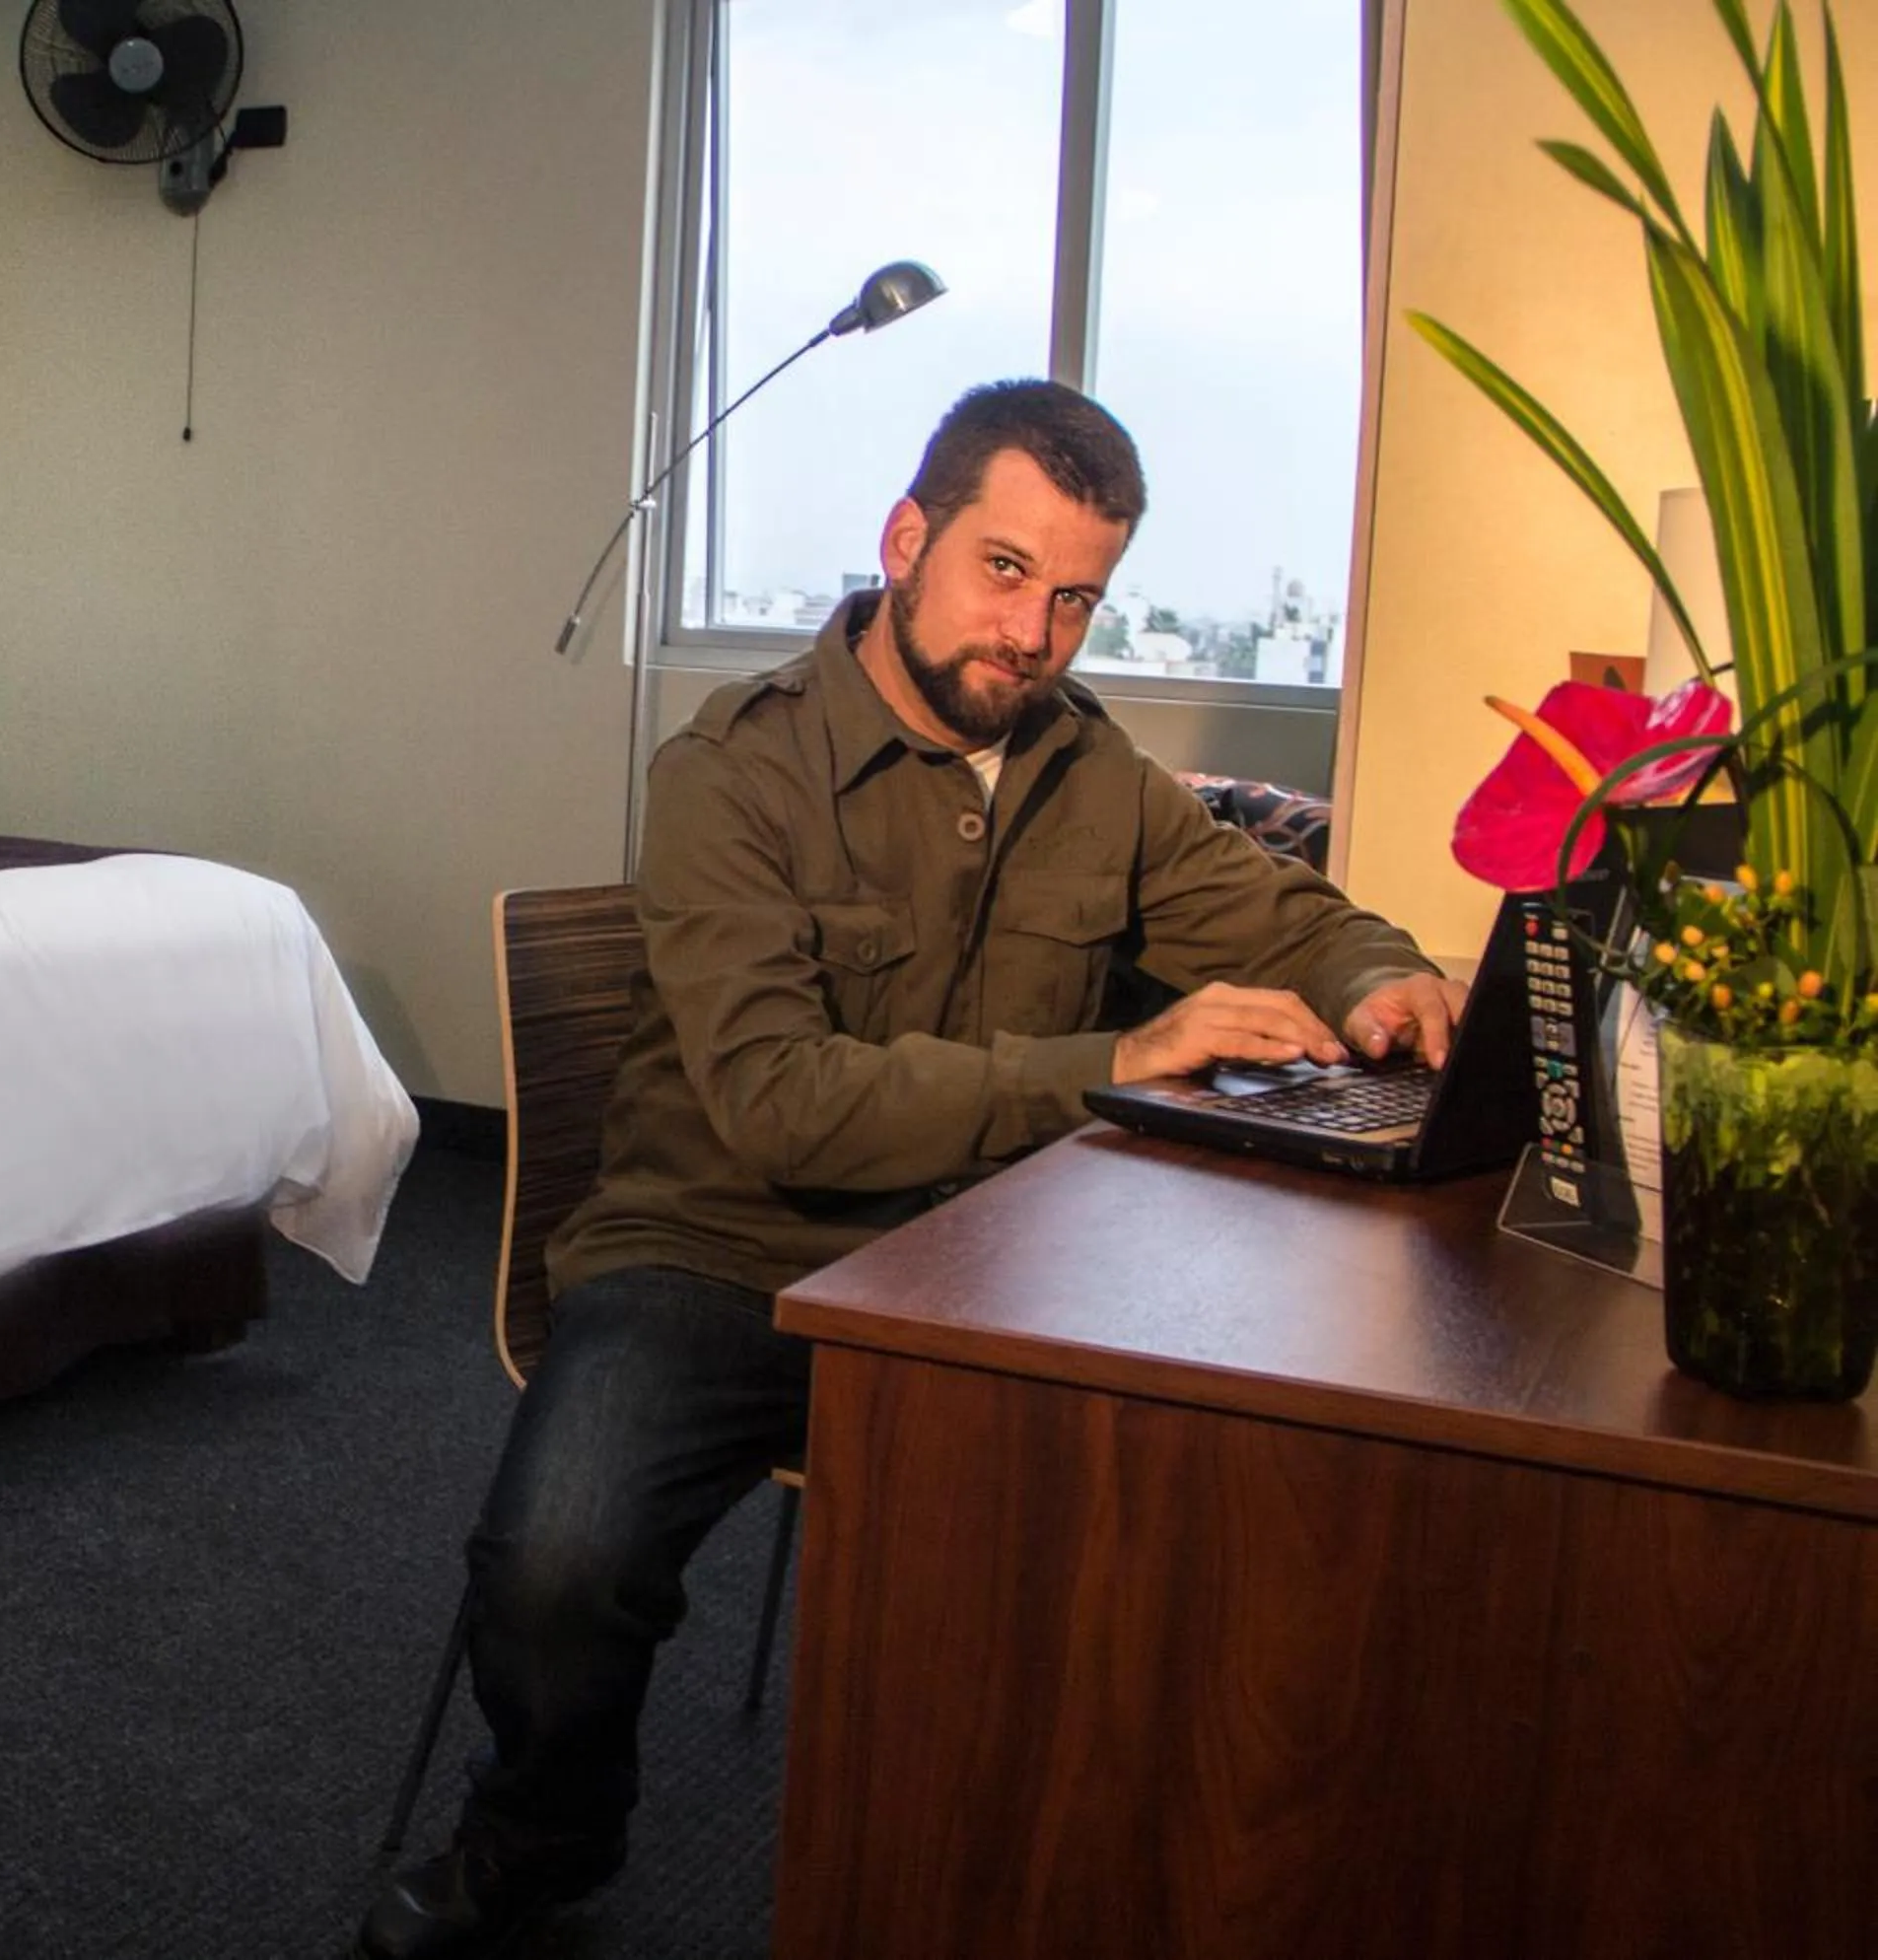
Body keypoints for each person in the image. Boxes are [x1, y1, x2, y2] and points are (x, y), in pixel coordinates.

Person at [356, 380, 1464, 1960]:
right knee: (555, 1562)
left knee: (1207, 1513)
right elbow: (783, 1104)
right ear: (908, 538)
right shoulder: (733, 771)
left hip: (992, 1268)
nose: (1036, 631)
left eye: (1075, 595)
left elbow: (1283, 909)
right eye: (1004, 571)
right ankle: (542, 1834)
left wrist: (1380, 975)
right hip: (722, 1256)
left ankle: (1040, 1869)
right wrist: (1108, 1066)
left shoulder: (1093, 773)